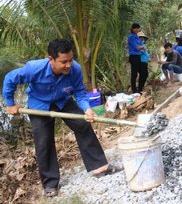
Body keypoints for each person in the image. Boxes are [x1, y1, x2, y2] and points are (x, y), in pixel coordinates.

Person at [2, 39, 122, 197]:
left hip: (62, 100)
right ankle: (50, 183)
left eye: (70, 60)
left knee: (83, 124)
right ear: (50, 59)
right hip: (39, 104)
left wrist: (87, 109)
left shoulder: (75, 69)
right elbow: (10, 79)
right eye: (63, 62)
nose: (68, 65)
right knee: (43, 141)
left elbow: (79, 92)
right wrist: (10, 104)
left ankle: (99, 166)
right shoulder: (34, 68)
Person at [128, 23, 144, 94]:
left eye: (138, 28)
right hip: (134, 56)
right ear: (132, 29)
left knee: (143, 73)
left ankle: (140, 88)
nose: (137, 29)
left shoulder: (137, 36)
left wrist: (142, 47)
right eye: (136, 28)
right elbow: (137, 47)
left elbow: (142, 45)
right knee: (134, 74)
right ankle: (134, 90)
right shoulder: (131, 37)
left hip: (139, 56)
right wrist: (142, 47)